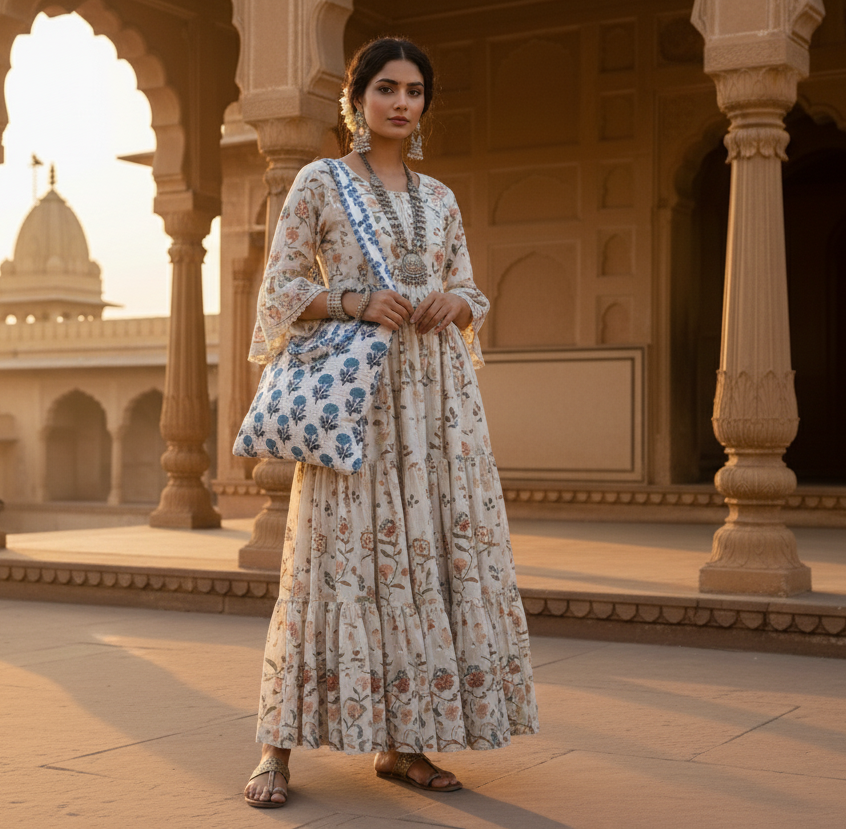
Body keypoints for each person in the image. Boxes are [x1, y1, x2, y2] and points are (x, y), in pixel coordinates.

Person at [243, 36, 539, 808]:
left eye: (413, 91)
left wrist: (457, 303)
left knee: (418, 564)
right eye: (386, 89)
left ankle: (403, 746)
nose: (401, 103)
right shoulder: (320, 183)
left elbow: (470, 290)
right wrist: (351, 301)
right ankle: (273, 750)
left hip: (434, 411)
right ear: (356, 100)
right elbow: (276, 293)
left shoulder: (438, 199)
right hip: (357, 404)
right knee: (331, 565)